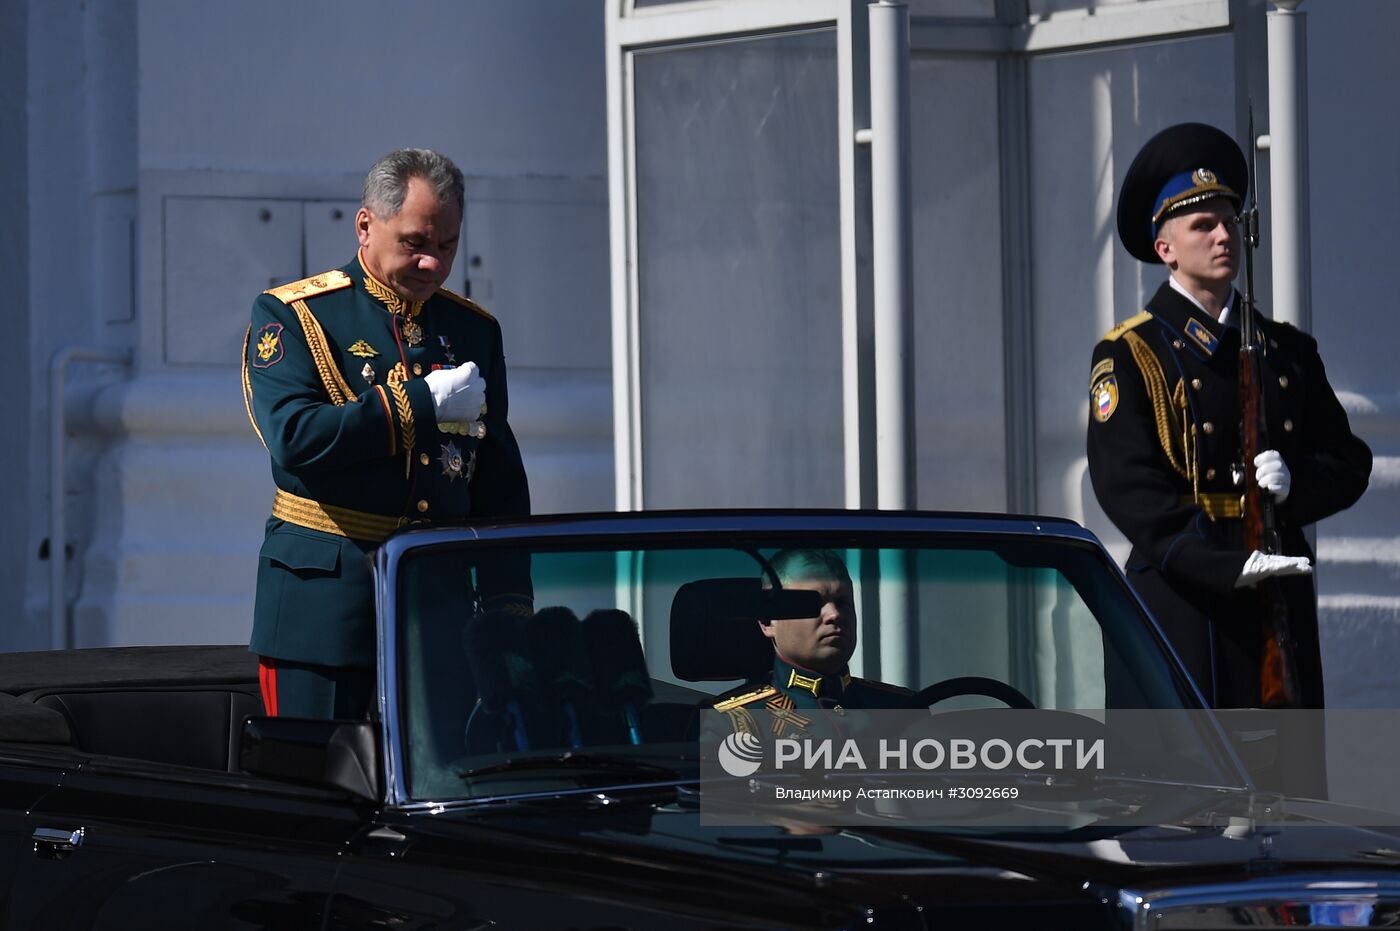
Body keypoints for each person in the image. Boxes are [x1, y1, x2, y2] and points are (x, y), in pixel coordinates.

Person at [1086, 123, 1371, 710]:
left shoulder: (1285, 350)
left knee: (1282, 789)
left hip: (1275, 605)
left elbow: (1349, 460)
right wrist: (1225, 565)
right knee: (1186, 788)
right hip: (1182, 598)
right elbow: (1128, 486)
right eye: (1203, 225)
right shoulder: (1131, 354)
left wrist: (1296, 484)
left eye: (1231, 222)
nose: (1225, 236)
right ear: (1165, 248)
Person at [242, 148, 531, 719]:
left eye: (446, 246)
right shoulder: (296, 316)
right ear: (366, 225)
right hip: (323, 612)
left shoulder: (473, 331)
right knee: (316, 789)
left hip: (437, 614)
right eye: (415, 244)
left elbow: (497, 482)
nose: (433, 264)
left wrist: (506, 607)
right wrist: (418, 404)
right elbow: (295, 436)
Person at [715, 549, 916, 735]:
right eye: (813, 604)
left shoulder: (904, 710)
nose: (834, 614)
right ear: (768, 621)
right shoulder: (729, 722)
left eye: (843, 602)